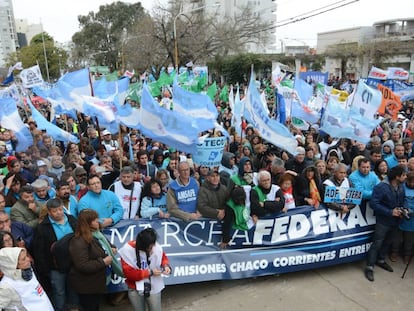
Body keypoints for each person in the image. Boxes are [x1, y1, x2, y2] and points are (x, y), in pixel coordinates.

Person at [68, 209, 123, 311]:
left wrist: (111, 248)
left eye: (97, 218)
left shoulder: (97, 234)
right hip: (87, 286)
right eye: (94, 220)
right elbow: (83, 265)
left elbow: (104, 245)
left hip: (97, 283)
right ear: (87, 223)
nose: (97, 221)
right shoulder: (78, 241)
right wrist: (103, 262)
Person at [32, 198, 78, 311]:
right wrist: (46, 269)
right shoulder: (42, 227)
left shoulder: (72, 220)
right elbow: (39, 251)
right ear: (49, 212)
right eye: (55, 211)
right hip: (55, 267)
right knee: (59, 292)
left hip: (74, 263)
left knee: (74, 290)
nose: (59, 212)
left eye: (60, 209)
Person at [364, 165, 407, 282]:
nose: (405, 177)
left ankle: (381, 260)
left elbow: (402, 200)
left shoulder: (401, 186)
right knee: (377, 243)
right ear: (397, 176)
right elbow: (374, 204)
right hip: (383, 221)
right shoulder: (381, 187)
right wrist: (390, 212)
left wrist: (403, 210)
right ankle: (370, 266)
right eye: (403, 175)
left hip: (396, 221)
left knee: (388, 241)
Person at [118, 228, 172, 311]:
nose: (153, 249)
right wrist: (149, 272)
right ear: (142, 246)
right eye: (150, 248)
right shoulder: (127, 250)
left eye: (153, 246)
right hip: (135, 287)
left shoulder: (153, 245)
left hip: (154, 285)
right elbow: (128, 273)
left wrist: (165, 266)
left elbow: (162, 256)